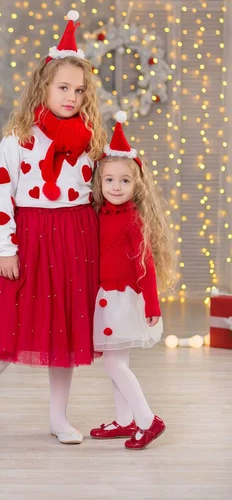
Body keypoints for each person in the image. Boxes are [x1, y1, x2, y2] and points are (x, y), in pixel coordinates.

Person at [0, 10, 107, 445]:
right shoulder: (18, 139)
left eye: (79, 90)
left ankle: (58, 417)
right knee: (8, 333)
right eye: (63, 88)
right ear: (44, 87)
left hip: (75, 237)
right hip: (29, 238)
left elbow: (97, 192)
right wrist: (5, 248)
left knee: (66, 333)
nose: (71, 97)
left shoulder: (89, 141)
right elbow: (1, 196)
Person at [90, 111, 175, 450]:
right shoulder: (98, 215)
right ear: (100, 181)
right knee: (116, 362)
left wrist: (151, 303)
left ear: (136, 183)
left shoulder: (133, 220)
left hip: (126, 301)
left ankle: (147, 419)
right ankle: (125, 420)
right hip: (105, 300)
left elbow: (146, 265)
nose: (115, 187)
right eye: (109, 180)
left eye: (124, 181)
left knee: (114, 362)